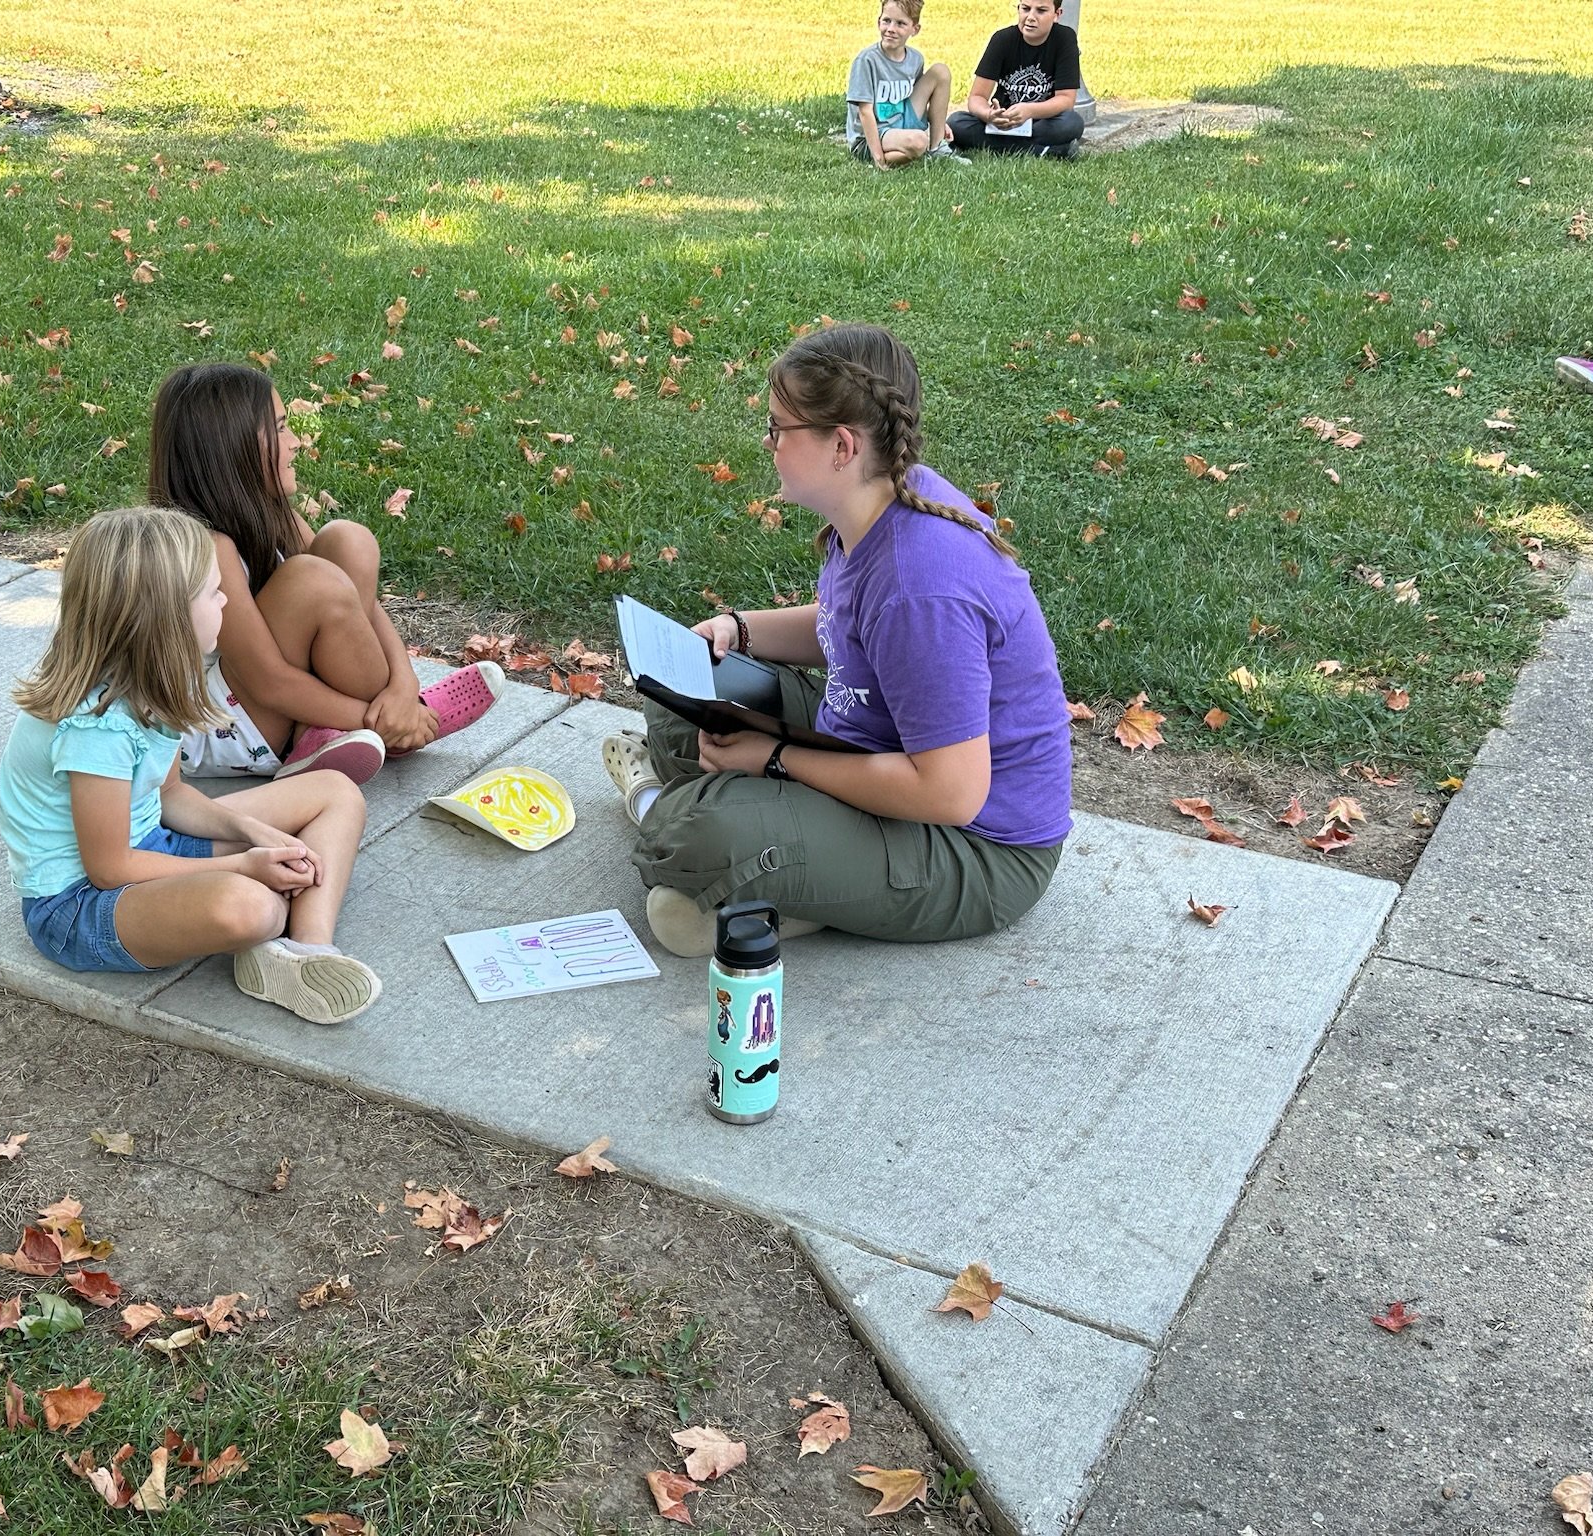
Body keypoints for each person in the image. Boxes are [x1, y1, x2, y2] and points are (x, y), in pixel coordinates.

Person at [600, 325, 1073, 959]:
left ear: (841, 445)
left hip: (978, 850)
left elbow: (951, 793)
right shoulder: (882, 504)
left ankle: (688, 821)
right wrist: (738, 630)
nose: (766, 444)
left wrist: (771, 759)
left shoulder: (921, 584)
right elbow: (846, 626)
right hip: (875, 752)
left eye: (778, 429)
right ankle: (774, 861)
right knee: (680, 694)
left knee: (695, 835)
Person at [0, 504, 382, 1024]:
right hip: (78, 905)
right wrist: (242, 862)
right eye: (211, 591)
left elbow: (170, 795)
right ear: (167, 617)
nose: (226, 598)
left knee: (335, 790)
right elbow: (109, 869)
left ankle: (304, 953)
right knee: (251, 906)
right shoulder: (97, 727)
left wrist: (251, 829)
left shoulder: (162, 679)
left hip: (151, 845)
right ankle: (272, 922)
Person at [148, 362, 506, 785]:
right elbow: (269, 684)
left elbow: (362, 607)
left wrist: (403, 686)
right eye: (280, 430)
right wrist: (387, 721)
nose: (296, 442)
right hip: (216, 723)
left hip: (266, 700)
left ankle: (325, 733)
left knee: (346, 541)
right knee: (312, 582)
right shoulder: (206, 546)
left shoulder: (274, 513)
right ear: (234, 447)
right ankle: (392, 728)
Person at [946, 0, 1085, 159]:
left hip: (1041, 122)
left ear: (1057, 14)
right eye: (1025, 8)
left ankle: (1001, 146)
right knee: (957, 122)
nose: (1030, 17)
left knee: (1072, 123)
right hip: (1002, 122)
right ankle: (1046, 151)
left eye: (1041, 11)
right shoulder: (1002, 39)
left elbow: (1066, 100)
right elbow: (977, 97)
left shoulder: (1065, 38)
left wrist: (1029, 111)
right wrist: (989, 114)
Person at [846, 0, 960, 168]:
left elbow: (913, 98)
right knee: (919, 142)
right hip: (874, 133)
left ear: (915, 29)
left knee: (941, 71)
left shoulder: (915, 59)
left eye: (901, 23)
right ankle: (893, 155)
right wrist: (878, 158)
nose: (891, 29)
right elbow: (865, 113)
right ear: (879, 22)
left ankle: (936, 149)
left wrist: (939, 122)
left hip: (902, 120)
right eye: (886, 21)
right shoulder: (867, 60)